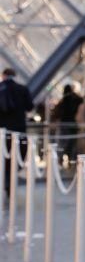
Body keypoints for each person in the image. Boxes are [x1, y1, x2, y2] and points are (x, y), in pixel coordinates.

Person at [0, 68, 33, 198]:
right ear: (14, 76)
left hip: (2, 131)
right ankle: (10, 181)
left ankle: (4, 180)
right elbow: (29, 107)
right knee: (16, 157)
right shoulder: (22, 89)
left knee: (3, 157)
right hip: (19, 130)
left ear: (3, 75)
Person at [53, 84, 83, 163]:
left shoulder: (64, 100)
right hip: (72, 123)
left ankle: (60, 159)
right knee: (72, 143)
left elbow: (57, 112)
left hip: (64, 123)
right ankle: (71, 160)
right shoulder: (75, 98)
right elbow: (81, 100)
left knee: (62, 142)